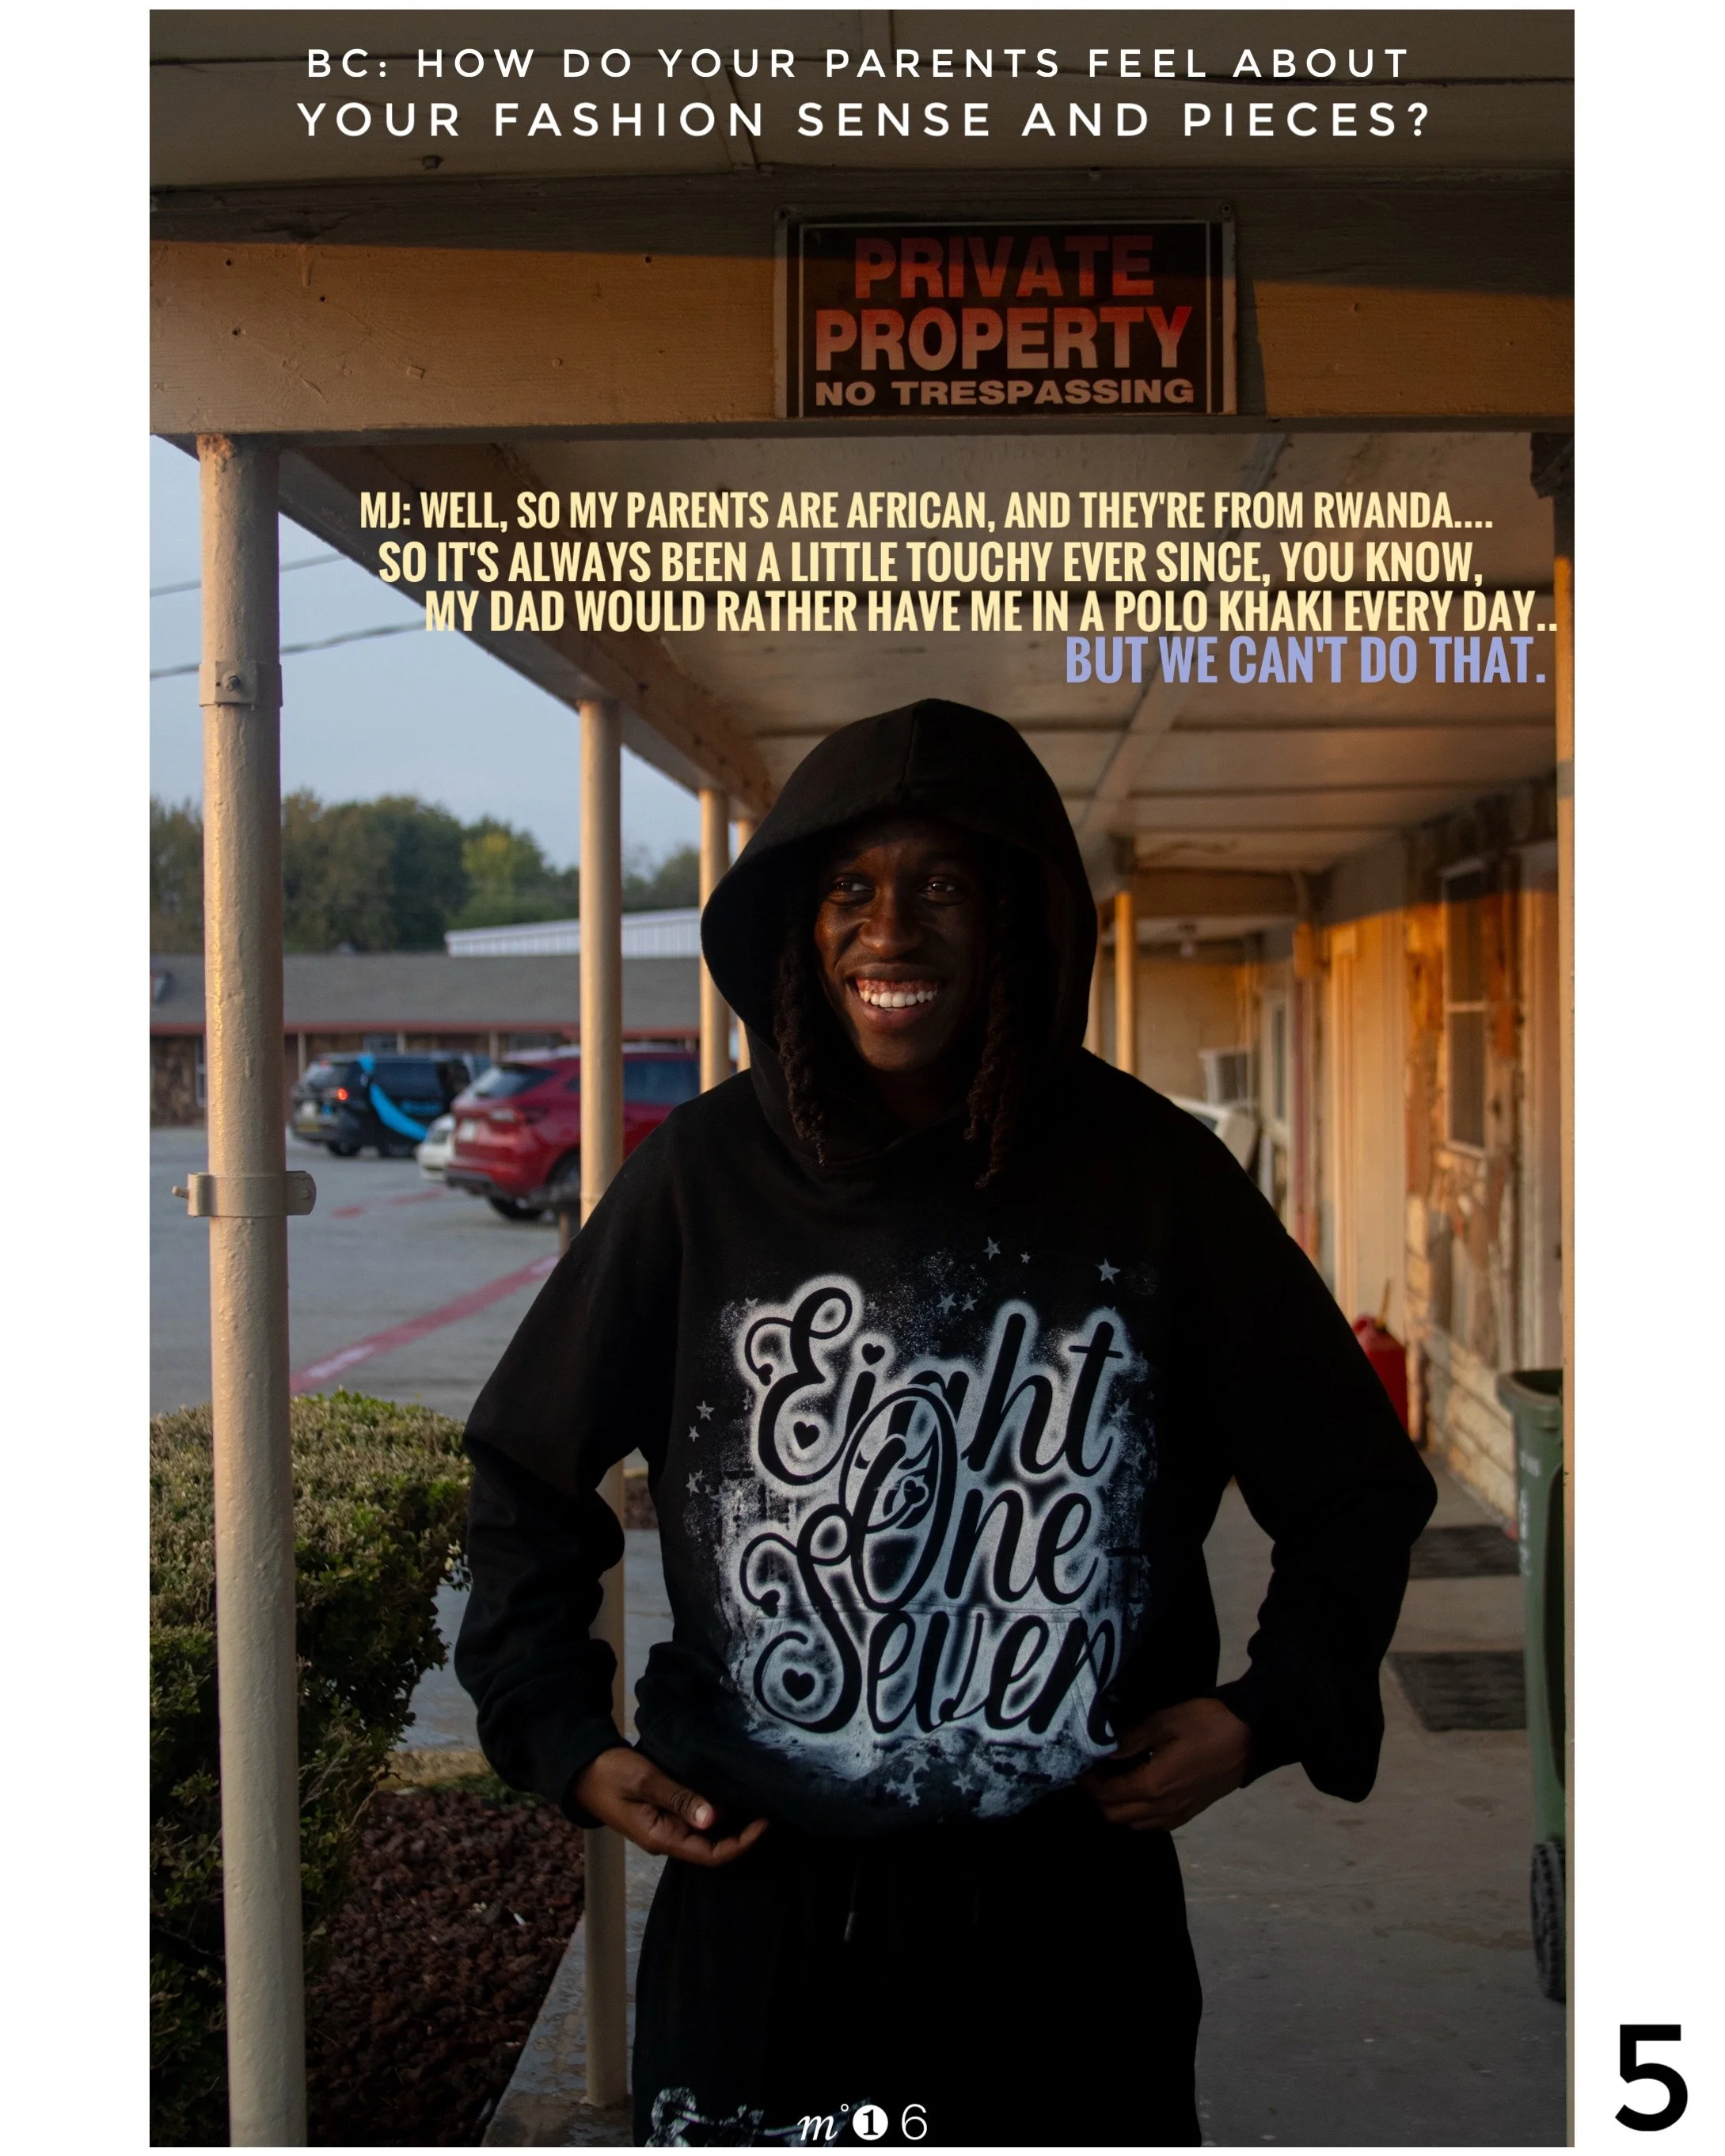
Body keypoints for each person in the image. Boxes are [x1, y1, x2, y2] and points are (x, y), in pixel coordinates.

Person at [456, 699, 1436, 2148]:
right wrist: (557, 1732)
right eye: (851, 888)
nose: (889, 929)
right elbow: (526, 1467)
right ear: (798, 923)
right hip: (763, 1905)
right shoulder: (704, 1178)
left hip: (1062, 1922)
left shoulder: (1155, 1180)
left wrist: (1263, 1713)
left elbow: (1354, 1484)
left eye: (943, 886)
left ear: (1019, 921)